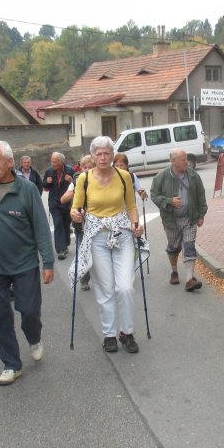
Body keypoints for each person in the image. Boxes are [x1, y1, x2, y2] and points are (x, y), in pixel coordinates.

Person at [0, 141, 55, 385]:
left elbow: (41, 228)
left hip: (24, 263)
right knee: (0, 316)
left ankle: (34, 337)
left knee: (28, 310)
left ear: (9, 162)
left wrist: (48, 262)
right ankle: (11, 364)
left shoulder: (27, 190)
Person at [70, 136, 147, 353]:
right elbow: (75, 207)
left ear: (112, 156)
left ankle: (127, 332)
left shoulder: (124, 177)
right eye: (98, 154)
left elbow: (131, 205)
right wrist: (75, 214)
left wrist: (136, 224)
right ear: (92, 156)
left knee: (125, 287)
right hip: (97, 237)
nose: (103, 157)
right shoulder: (84, 179)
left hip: (122, 235)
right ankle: (109, 334)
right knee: (106, 290)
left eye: (107, 153)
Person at [151, 148, 208, 291]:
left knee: (189, 246)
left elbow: (201, 196)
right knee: (173, 247)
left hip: (189, 219)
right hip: (171, 220)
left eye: (186, 159)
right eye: (183, 159)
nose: (186, 162)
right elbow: (154, 195)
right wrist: (169, 201)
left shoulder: (193, 176)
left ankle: (189, 279)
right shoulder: (162, 176)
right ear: (173, 161)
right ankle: (174, 270)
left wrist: (201, 215)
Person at [61, 154, 93, 290]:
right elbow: (63, 199)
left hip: (98, 223)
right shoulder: (76, 182)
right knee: (84, 253)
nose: (87, 169)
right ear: (80, 168)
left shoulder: (100, 180)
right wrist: (76, 192)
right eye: (85, 167)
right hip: (81, 225)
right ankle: (84, 280)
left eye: (90, 167)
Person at [43, 152, 75, 260]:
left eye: (55, 162)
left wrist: (72, 181)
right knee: (58, 224)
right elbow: (45, 186)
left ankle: (65, 244)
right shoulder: (49, 171)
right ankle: (60, 250)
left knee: (66, 224)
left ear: (62, 162)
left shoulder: (70, 170)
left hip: (66, 204)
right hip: (54, 203)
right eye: (52, 161)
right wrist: (47, 182)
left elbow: (77, 185)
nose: (52, 164)